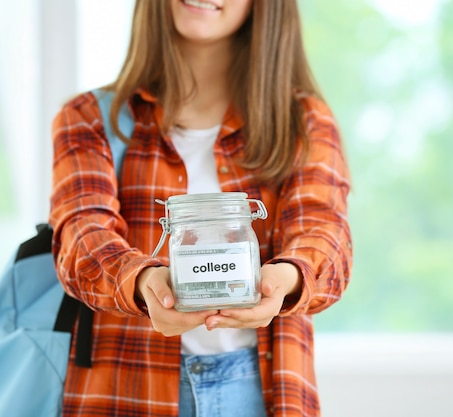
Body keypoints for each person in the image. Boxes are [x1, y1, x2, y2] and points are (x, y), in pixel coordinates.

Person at [49, 1, 352, 416]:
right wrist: (143, 284)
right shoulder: (88, 118)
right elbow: (79, 236)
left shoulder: (303, 121)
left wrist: (286, 279)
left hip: (259, 389)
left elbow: (324, 232)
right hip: (124, 384)